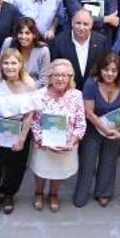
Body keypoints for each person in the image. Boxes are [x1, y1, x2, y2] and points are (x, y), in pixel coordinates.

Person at [0, 48, 39, 215]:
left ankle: (8, 194)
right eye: (5, 63)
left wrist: (22, 138)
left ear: (20, 64)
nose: (9, 67)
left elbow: (30, 113)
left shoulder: (29, 83)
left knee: (16, 165)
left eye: (13, 62)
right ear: (0, 65)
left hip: (19, 129)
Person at [73, 53, 120, 208]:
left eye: (114, 70)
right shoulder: (91, 84)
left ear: (119, 72)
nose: (110, 74)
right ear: (100, 69)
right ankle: (82, 193)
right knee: (88, 162)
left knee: (109, 161)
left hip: (115, 129)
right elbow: (89, 112)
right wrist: (105, 129)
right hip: (93, 129)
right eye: (106, 69)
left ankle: (104, 192)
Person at [29, 59, 86, 213]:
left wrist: (71, 143)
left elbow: (81, 123)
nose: (60, 79)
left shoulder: (77, 95)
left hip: (67, 145)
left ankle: (54, 194)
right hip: (44, 146)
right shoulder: (39, 95)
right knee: (42, 170)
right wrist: (44, 142)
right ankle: (39, 193)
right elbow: (33, 123)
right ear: (50, 77)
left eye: (64, 75)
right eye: (56, 75)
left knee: (59, 171)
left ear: (70, 77)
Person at [51, 9, 110, 89]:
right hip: (67, 93)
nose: (81, 27)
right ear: (72, 22)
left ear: (91, 25)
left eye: (85, 24)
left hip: (94, 93)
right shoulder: (58, 42)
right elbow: (54, 71)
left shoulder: (102, 42)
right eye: (78, 23)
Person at [1, 17, 51, 86]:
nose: (23, 36)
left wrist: (23, 89)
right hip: (9, 86)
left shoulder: (43, 50)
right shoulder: (8, 43)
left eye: (27, 33)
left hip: (33, 90)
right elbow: (0, 68)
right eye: (20, 33)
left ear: (34, 35)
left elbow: (44, 80)